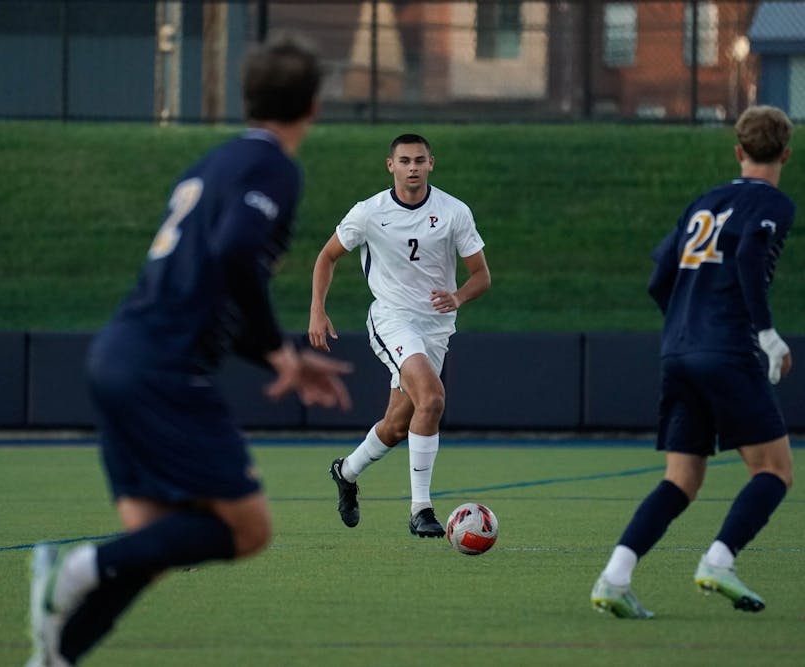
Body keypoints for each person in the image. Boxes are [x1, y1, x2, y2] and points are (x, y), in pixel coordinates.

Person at [25, 35, 353, 667]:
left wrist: (273, 354)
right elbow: (233, 255)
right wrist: (280, 352)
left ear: (248, 98)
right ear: (314, 104)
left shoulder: (212, 163)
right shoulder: (274, 168)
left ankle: (55, 658)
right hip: (164, 370)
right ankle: (80, 567)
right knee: (248, 529)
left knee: (154, 546)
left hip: (119, 353)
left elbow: (205, 280)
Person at [590, 105, 797, 619]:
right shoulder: (773, 202)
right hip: (727, 348)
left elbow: (659, 280)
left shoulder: (704, 202)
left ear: (738, 151)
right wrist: (768, 335)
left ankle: (614, 578)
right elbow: (750, 256)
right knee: (774, 470)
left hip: (679, 352)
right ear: (786, 154)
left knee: (681, 479)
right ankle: (719, 561)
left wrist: (685, 328)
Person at [309, 133, 491, 538]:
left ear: (431, 164)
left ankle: (346, 471)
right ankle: (420, 510)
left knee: (397, 425)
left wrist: (458, 296)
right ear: (390, 165)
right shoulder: (369, 212)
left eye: (419, 160)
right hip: (391, 318)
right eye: (404, 160)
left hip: (436, 327)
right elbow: (327, 256)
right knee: (433, 398)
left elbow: (482, 276)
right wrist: (317, 309)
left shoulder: (453, 212)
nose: (412, 167)